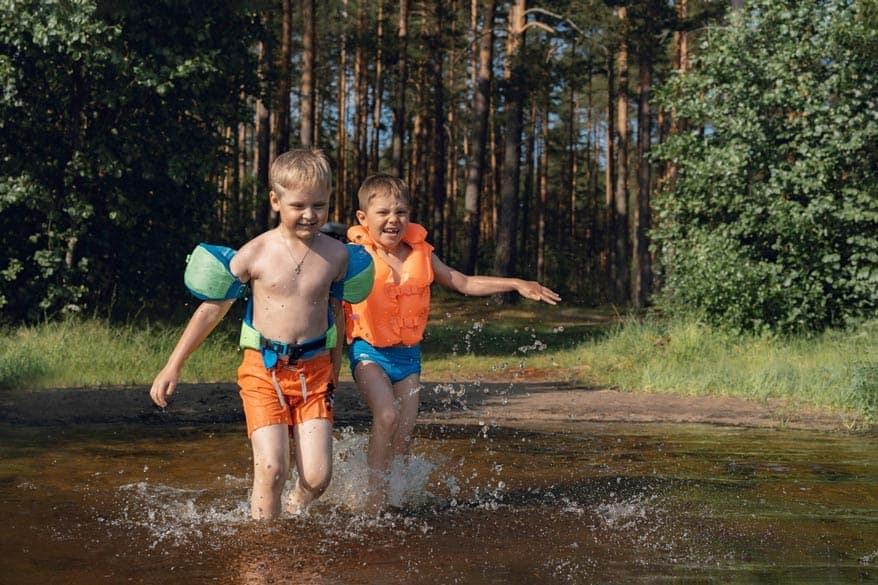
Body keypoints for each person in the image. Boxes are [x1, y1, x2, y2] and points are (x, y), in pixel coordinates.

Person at [150, 149, 371, 520]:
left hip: (315, 375)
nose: (309, 215)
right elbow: (211, 310)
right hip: (264, 372)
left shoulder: (337, 257)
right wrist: (173, 365)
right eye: (298, 205)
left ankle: (293, 507)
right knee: (272, 469)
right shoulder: (256, 253)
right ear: (275, 200)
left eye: (320, 205)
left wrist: (335, 372)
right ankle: (262, 551)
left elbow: (336, 315)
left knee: (317, 477)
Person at [344, 173, 562, 512]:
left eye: (401, 212)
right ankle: (373, 501)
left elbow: (463, 281)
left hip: (408, 357)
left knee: (403, 435)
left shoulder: (421, 253)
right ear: (362, 218)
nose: (393, 220)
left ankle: (398, 499)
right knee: (386, 416)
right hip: (368, 351)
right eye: (383, 212)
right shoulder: (353, 257)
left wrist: (516, 283)